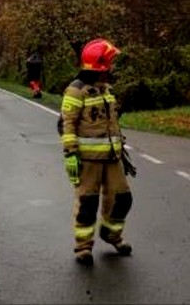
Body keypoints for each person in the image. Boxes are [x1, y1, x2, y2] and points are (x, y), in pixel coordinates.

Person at [58, 38, 133, 267]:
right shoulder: (75, 90)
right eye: (109, 62)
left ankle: (111, 235)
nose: (111, 67)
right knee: (87, 204)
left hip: (112, 158)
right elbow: (66, 124)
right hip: (88, 160)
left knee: (123, 199)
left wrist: (120, 150)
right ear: (100, 65)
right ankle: (83, 248)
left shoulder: (106, 89)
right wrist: (70, 153)